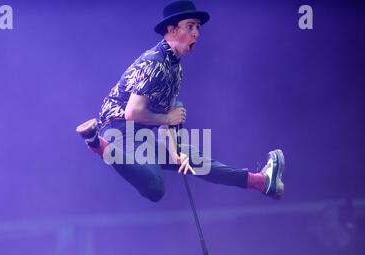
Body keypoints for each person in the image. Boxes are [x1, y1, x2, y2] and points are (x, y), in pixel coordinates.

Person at [76, 1, 284, 202]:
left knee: (194, 159)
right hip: (119, 130)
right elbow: (132, 113)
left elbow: (169, 121)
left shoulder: (175, 68)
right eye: (190, 26)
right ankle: (97, 144)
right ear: (172, 30)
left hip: (140, 134)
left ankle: (260, 181)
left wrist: (176, 155)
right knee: (156, 190)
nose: (196, 33)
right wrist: (167, 117)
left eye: (198, 28)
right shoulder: (156, 63)